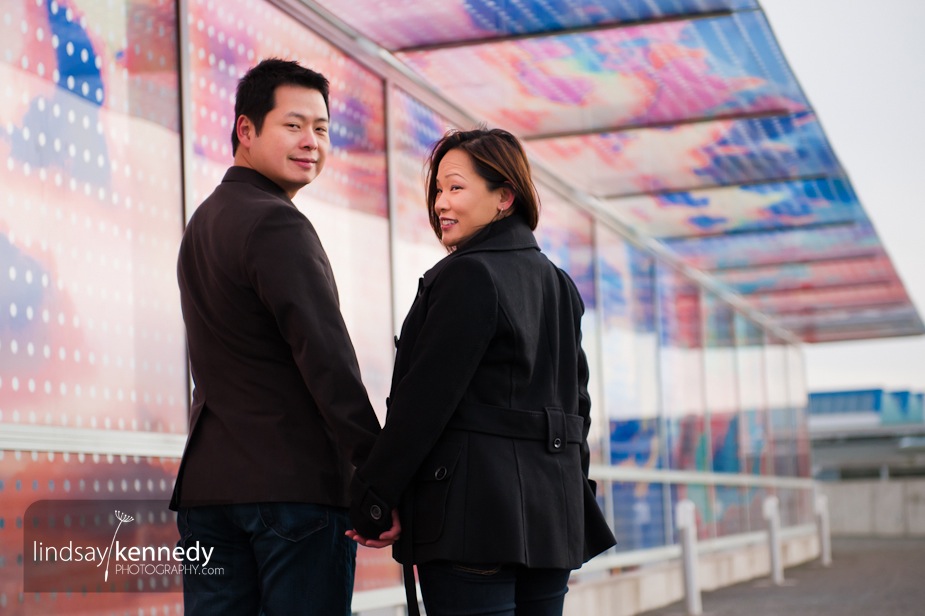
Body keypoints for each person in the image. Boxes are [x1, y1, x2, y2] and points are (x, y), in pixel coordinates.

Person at [348, 127, 616, 615]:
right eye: (437, 190)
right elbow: (578, 408)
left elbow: (423, 404)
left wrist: (373, 496)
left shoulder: (468, 275)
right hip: (551, 520)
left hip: (472, 521)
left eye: (455, 187)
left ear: (504, 197)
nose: (440, 204)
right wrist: (573, 493)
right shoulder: (559, 284)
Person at [171, 58, 398, 616]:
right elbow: (327, 359)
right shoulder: (276, 223)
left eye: (321, 129)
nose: (311, 142)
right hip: (289, 493)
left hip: (209, 492)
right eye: (293, 125)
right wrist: (377, 477)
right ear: (245, 131)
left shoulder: (204, 222)